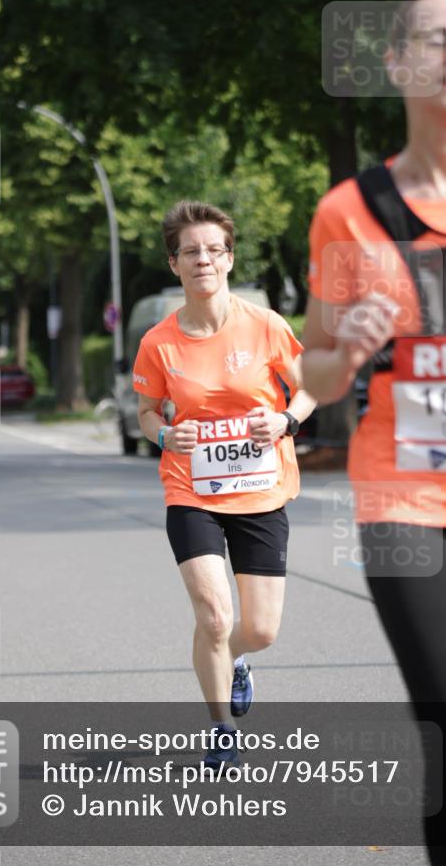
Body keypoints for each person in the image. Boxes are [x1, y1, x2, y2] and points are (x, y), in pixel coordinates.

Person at [301, 0, 446, 864]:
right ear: (395, 64)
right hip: (405, 504)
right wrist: (344, 351)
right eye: (434, 39)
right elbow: (311, 379)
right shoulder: (346, 213)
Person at [134, 200, 316, 769]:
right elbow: (145, 412)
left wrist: (286, 419)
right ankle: (219, 728)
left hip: (260, 490)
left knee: (257, 630)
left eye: (214, 250)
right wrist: (165, 437)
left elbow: (308, 389)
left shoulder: (266, 326)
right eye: (191, 252)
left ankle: (233, 660)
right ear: (174, 264)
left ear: (229, 258)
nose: (203, 260)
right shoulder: (159, 342)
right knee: (214, 615)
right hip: (191, 491)